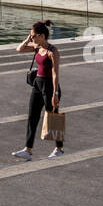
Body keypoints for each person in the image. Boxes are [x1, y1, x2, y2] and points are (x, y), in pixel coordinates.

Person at [13, 21, 63, 161]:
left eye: (34, 36)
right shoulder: (36, 47)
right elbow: (19, 49)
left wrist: (55, 94)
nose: (32, 38)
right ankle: (28, 150)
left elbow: (55, 73)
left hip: (49, 86)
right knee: (32, 117)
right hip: (37, 84)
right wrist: (27, 39)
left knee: (53, 117)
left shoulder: (53, 51)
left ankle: (59, 148)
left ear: (42, 36)